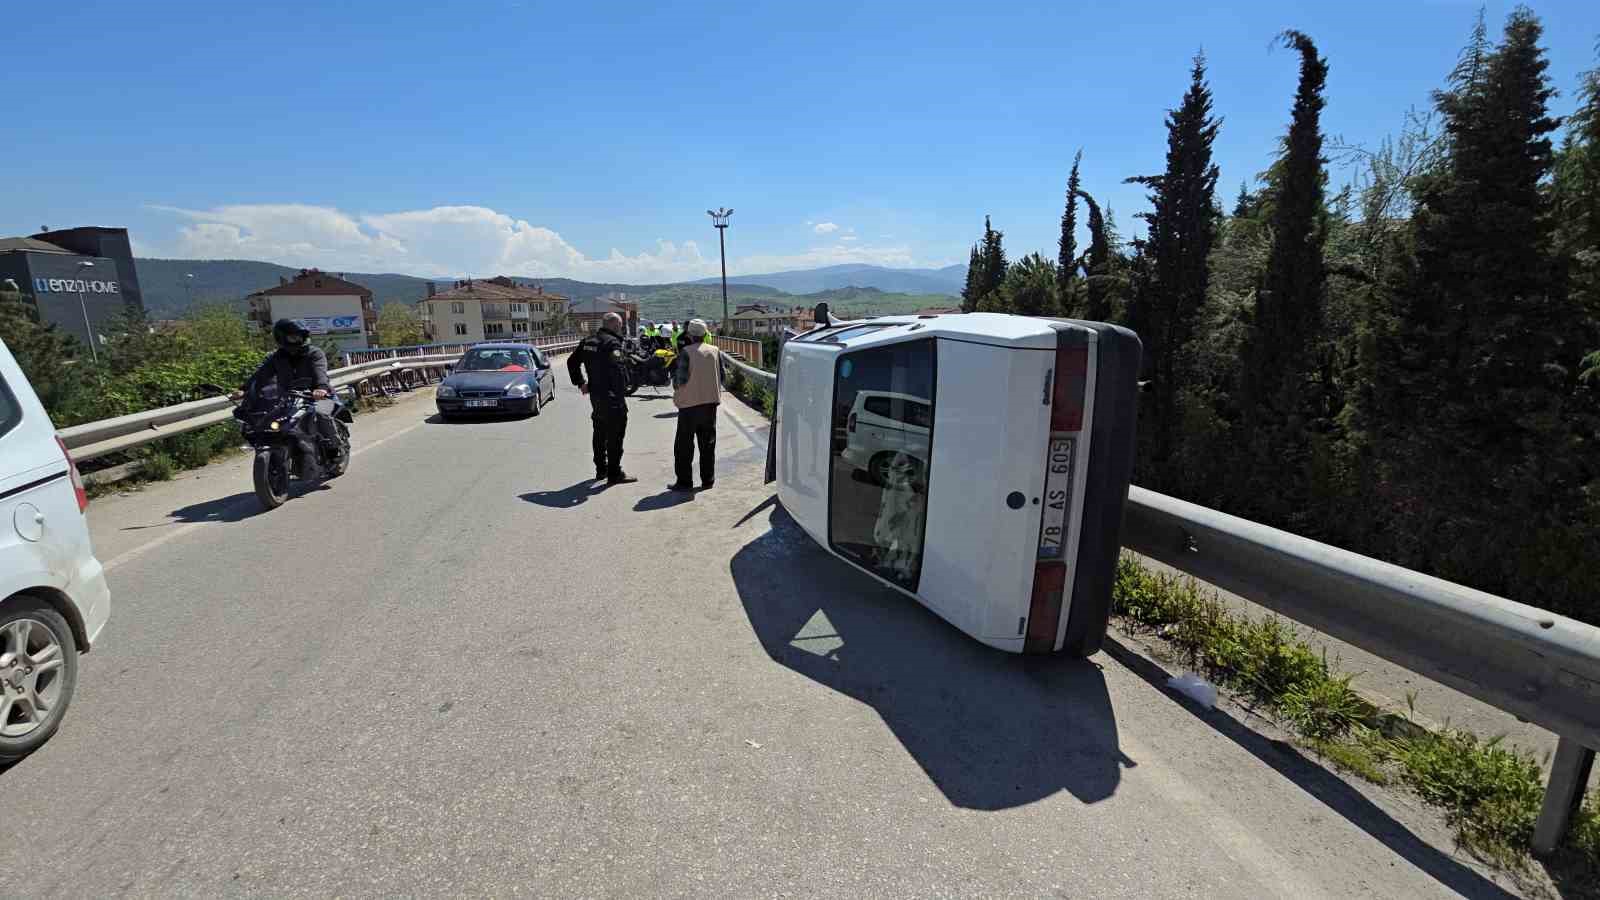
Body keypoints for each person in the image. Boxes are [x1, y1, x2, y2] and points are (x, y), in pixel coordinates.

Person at [234, 318, 342, 479]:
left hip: (319, 395)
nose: (299, 340)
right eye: (294, 337)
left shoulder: (314, 353)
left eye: (300, 336)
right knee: (275, 422)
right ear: (281, 338)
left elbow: (320, 372)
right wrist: (244, 389)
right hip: (289, 398)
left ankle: (335, 450)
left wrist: (320, 388)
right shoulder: (276, 358)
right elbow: (261, 375)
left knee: (322, 414)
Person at [566, 312, 637, 484]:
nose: (621, 328)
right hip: (612, 397)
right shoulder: (612, 343)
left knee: (599, 432)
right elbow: (618, 371)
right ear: (614, 325)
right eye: (620, 325)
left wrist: (581, 382)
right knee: (615, 435)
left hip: (596, 396)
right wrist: (623, 393)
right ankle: (614, 473)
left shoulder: (589, 341)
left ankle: (601, 469)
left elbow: (571, 362)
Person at [668, 319, 722, 491]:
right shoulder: (715, 351)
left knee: (684, 445)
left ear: (689, 335)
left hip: (689, 406)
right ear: (705, 334)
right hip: (710, 404)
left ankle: (684, 482)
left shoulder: (686, 352)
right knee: (707, 444)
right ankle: (708, 480)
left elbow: (680, 381)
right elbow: (723, 377)